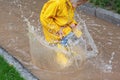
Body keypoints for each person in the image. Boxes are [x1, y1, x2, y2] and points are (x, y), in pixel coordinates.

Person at [40, 0, 88, 68]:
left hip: (63, 27)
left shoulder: (70, 4)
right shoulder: (58, 3)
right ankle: (62, 61)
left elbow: (67, 17)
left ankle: (71, 53)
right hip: (53, 28)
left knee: (76, 36)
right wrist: (57, 29)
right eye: (78, 4)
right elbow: (44, 18)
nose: (78, 6)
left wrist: (73, 23)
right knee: (60, 44)